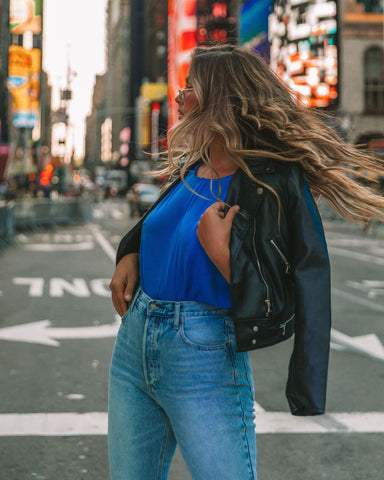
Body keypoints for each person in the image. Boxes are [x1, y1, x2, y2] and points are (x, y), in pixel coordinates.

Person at [108, 45, 384, 480]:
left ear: (219, 99)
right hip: (134, 345)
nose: (179, 98)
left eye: (189, 88)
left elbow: (295, 287)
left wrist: (225, 254)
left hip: (203, 354)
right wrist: (130, 251)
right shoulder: (191, 169)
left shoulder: (269, 182)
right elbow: (159, 226)